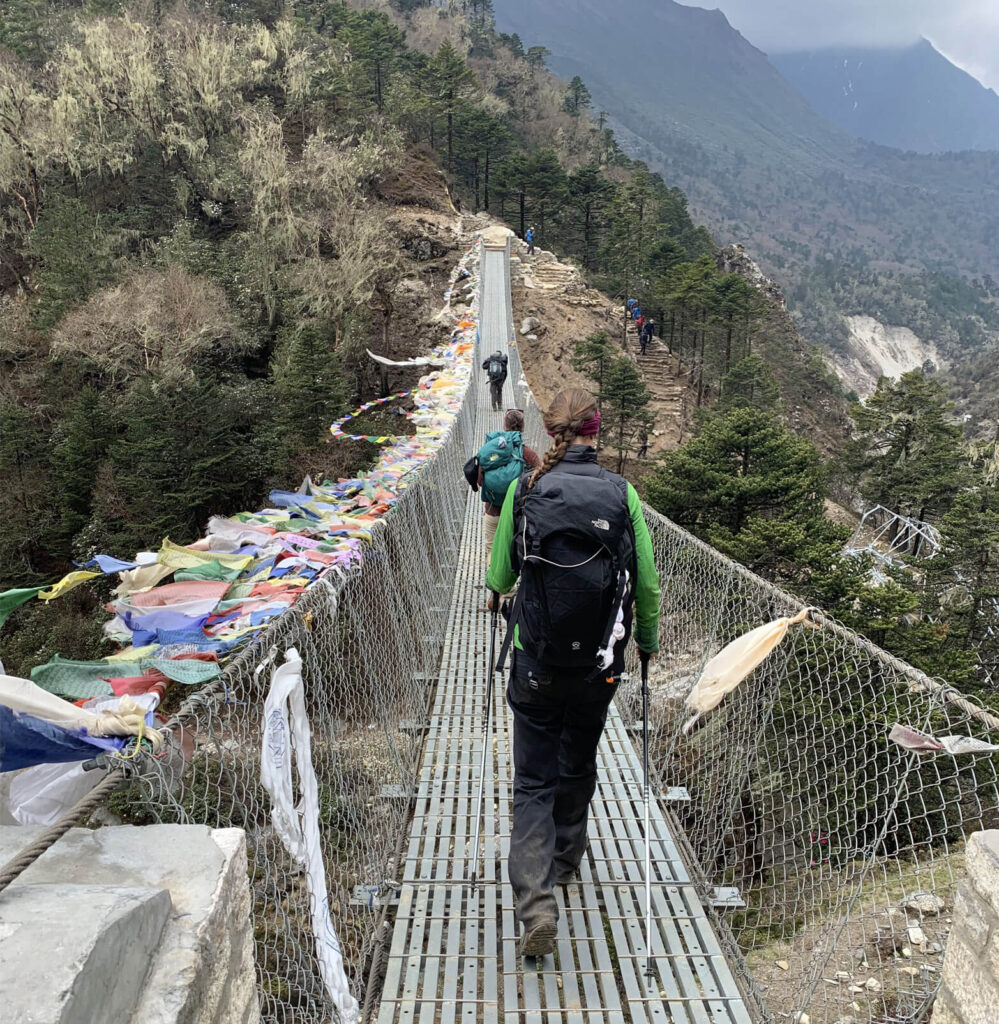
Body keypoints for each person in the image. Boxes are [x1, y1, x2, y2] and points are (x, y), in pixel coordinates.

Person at [486, 387, 661, 958]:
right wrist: (648, 646)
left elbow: (499, 575)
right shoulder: (622, 494)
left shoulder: (526, 488)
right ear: (596, 429)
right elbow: (648, 586)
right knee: (578, 761)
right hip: (598, 667)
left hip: (534, 661)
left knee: (532, 780)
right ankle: (565, 861)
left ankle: (535, 904)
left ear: (552, 431)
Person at [478, 409, 539, 559]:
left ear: (504, 426)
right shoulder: (529, 454)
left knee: (492, 549)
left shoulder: (490, 451)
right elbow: (539, 484)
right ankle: (514, 581)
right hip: (518, 514)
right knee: (515, 551)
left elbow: (480, 481)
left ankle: (492, 578)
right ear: (523, 428)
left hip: (493, 511)